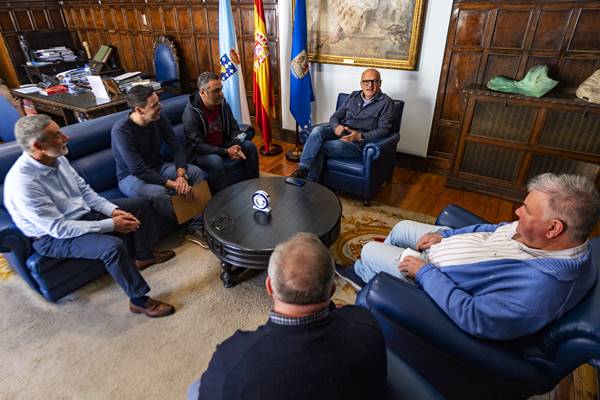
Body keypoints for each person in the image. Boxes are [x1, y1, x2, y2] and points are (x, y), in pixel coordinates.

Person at [347, 173, 600, 340]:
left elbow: (473, 316)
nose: (517, 212)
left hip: (434, 279)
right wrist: (447, 235)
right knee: (401, 228)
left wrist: (424, 272)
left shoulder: (540, 289)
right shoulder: (545, 237)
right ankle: (372, 273)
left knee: (369, 250)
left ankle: (368, 279)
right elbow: (493, 229)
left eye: (527, 211)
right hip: (443, 246)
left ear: (554, 228)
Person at [4, 115, 176, 318]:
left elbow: (85, 192)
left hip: (82, 213)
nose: (65, 137)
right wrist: (111, 224)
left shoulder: (57, 158)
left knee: (138, 204)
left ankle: (143, 255)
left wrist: (111, 210)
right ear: (38, 146)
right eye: (56, 135)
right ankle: (139, 301)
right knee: (112, 247)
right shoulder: (23, 184)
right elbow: (59, 229)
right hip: (52, 237)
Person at [189, 232, 387, 400]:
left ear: (269, 286)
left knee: (194, 389)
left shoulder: (232, 361)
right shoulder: (366, 325)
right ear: (332, 289)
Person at [111, 85, 207, 247]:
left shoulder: (160, 119)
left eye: (158, 102)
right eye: (154, 105)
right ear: (139, 110)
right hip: (131, 177)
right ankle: (192, 223)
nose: (160, 106)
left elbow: (176, 147)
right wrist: (174, 184)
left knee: (196, 172)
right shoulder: (121, 131)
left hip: (158, 166)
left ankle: (197, 225)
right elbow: (139, 170)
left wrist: (181, 176)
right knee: (158, 193)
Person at [290, 68, 394, 181]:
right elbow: (335, 117)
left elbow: (384, 130)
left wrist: (360, 136)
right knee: (317, 131)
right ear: (361, 83)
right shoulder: (354, 95)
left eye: (374, 81)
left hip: (357, 143)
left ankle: (310, 183)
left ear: (380, 83)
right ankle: (302, 170)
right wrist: (336, 127)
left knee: (317, 147)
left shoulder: (386, 103)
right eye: (366, 81)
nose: (370, 85)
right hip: (341, 132)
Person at [182, 71, 259, 194]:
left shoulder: (222, 103)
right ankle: (223, 199)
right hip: (201, 153)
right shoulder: (191, 113)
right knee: (215, 161)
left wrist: (235, 145)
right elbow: (197, 145)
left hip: (223, 144)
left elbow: (234, 127)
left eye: (221, 89)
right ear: (202, 92)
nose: (221, 94)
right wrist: (226, 152)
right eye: (216, 91)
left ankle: (255, 186)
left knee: (249, 146)